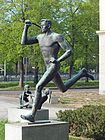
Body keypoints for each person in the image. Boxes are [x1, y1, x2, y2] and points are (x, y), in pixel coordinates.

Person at [21, 19, 94, 122]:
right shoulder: (39, 37)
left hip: (54, 66)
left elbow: (69, 50)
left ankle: (32, 115)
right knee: (63, 88)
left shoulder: (57, 37)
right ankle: (82, 73)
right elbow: (24, 42)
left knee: (38, 87)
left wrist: (57, 60)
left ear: (49, 25)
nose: (42, 27)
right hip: (47, 67)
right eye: (41, 25)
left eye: (44, 25)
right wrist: (26, 27)